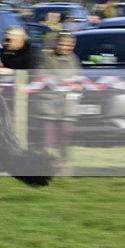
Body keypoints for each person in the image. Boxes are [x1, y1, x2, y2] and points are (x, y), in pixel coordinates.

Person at [35, 32, 82, 176]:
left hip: (67, 106)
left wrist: (77, 84)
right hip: (49, 104)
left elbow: (78, 75)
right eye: (61, 44)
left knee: (65, 138)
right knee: (48, 139)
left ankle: (65, 168)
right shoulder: (45, 56)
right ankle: (45, 169)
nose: (64, 47)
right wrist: (60, 81)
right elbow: (40, 74)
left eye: (69, 45)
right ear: (56, 43)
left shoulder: (73, 58)